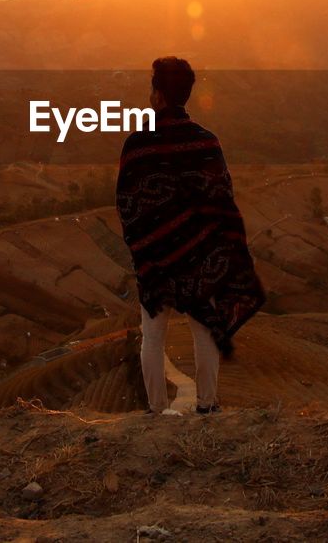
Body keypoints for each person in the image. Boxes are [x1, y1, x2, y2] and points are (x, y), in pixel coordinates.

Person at [115, 56, 266, 414]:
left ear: (157, 95)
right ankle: (207, 406)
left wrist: (147, 247)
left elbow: (126, 203)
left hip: (155, 261)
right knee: (205, 334)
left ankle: (155, 411)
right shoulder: (207, 143)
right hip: (199, 260)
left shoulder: (137, 144)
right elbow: (222, 200)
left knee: (152, 337)